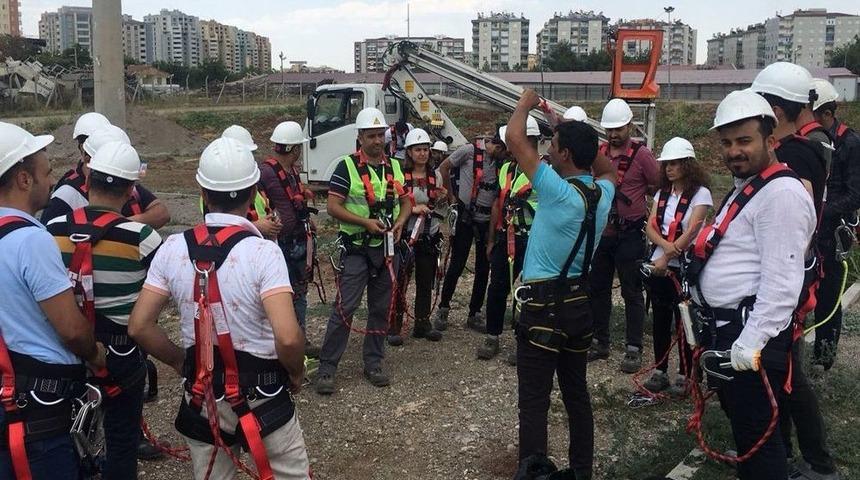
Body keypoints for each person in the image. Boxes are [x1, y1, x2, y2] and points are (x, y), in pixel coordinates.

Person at [128, 137, 310, 479]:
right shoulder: (263, 253)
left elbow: (139, 325)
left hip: (203, 396)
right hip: (264, 394)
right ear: (254, 187)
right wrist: (296, 373)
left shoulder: (173, 248)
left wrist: (181, 361)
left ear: (202, 190)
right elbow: (287, 338)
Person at [689, 89, 815, 480]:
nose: (733, 151)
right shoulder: (750, 185)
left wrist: (750, 342)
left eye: (744, 141)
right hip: (730, 333)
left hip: (749, 340)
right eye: (726, 143)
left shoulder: (781, 194)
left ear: (770, 141)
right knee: (751, 434)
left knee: (759, 442)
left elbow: (783, 281)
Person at [505, 89, 615, 479]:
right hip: (578, 305)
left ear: (565, 155)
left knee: (534, 402)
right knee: (576, 396)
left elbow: (515, 139)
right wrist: (573, 132)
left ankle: (534, 473)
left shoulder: (556, 193)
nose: (548, 149)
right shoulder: (603, 194)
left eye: (554, 145)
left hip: (542, 309)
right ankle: (581, 471)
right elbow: (605, 167)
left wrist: (525, 105)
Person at [46, 141, 162, 479]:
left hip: (66, 349)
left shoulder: (51, 231)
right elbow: (163, 292)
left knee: (65, 435)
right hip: (122, 354)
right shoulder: (143, 237)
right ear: (130, 189)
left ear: (87, 182)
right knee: (122, 440)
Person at [0, 122, 106, 479]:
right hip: (40, 411)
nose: (52, 181)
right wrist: (95, 353)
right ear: (23, 179)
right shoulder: (31, 240)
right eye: (45, 173)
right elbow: (71, 330)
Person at [752, 64, 839, 480]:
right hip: (794, 270)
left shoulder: (797, 154)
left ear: (775, 108)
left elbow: (794, 223)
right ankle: (781, 448)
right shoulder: (809, 146)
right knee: (780, 367)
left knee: (787, 370)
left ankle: (817, 462)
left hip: (790, 273)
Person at [315, 108, 411, 394]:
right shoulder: (346, 167)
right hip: (357, 249)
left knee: (381, 308)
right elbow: (333, 207)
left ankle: (374, 363)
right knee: (345, 308)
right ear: (360, 137)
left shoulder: (394, 166)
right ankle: (327, 368)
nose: (377, 141)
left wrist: (401, 224)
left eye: (381, 135)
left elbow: (405, 201)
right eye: (371, 136)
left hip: (385, 250)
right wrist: (364, 223)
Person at [588, 98, 659, 373]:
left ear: (629, 126)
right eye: (610, 129)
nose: (614, 134)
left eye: (618, 129)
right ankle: (600, 341)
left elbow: (657, 184)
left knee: (632, 291)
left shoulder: (642, 156)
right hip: (604, 233)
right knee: (599, 289)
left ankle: (633, 348)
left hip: (629, 234)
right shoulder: (600, 153)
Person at [640, 137, 711, 395]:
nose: (669, 168)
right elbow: (650, 226)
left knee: (684, 320)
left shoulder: (701, 194)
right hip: (661, 263)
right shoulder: (662, 194)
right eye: (667, 164)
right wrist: (663, 252)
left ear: (687, 165)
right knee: (660, 317)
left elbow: (693, 229)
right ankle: (660, 370)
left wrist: (668, 255)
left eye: (675, 163)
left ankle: (685, 372)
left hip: (684, 266)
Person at [480, 117, 542, 364]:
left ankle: (525, 340)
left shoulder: (543, 170)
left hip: (534, 239)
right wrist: (491, 238)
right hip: (507, 236)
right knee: (497, 287)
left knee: (530, 291)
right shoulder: (507, 168)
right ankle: (493, 335)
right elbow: (498, 202)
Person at [258, 121, 321, 357]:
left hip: (297, 241)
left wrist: (306, 219)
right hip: (278, 245)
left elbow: (295, 201)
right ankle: (283, 344)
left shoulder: (292, 172)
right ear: (294, 149)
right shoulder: (265, 173)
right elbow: (254, 205)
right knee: (280, 296)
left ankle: (300, 340)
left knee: (300, 293)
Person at [811, 77, 860, 372]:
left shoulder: (850, 144)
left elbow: (856, 194)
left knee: (829, 296)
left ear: (827, 114)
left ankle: (823, 358)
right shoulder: (814, 141)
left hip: (835, 231)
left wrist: (822, 211)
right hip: (814, 228)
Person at [434, 132, 503, 333]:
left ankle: (474, 313)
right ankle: (443, 308)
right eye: (497, 146)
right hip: (466, 217)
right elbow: (444, 167)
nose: (499, 152)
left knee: (483, 268)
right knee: (457, 263)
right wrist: (451, 196)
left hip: (486, 221)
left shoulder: (501, 161)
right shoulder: (468, 152)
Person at [41, 123, 171, 229]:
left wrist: (119, 225)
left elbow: (161, 214)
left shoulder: (125, 184)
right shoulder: (66, 196)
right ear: (86, 158)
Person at [389, 128, 445, 346]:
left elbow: (438, 202)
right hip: (405, 235)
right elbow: (393, 203)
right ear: (409, 152)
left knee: (425, 280)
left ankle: (422, 322)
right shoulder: (400, 176)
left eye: (425, 149)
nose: (422, 154)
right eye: (417, 150)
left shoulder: (435, 176)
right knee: (400, 281)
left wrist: (441, 199)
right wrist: (412, 209)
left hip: (428, 235)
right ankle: (394, 324)